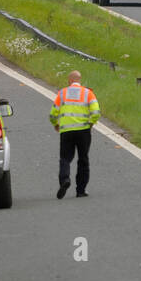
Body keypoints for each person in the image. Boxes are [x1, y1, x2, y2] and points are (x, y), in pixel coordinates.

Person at [50, 71, 100, 199]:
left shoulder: (62, 93)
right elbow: (96, 112)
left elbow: (53, 113)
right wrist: (91, 123)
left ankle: (65, 179)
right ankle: (81, 190)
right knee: (83, 159)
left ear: (70, 81)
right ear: (79, 80)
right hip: (83, 130)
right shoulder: (88, 93)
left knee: (65, 158)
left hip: (66, 131)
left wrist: (56, 124)